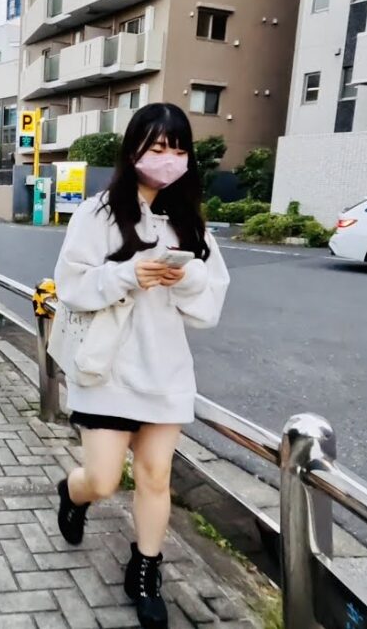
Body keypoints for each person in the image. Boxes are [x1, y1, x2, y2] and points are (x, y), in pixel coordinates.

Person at [51, 103, 229, 628]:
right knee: (103, 481)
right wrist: (130, 273)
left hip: (165, 371)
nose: (169, 158)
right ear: (133, 151)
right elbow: (73, 286)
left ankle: (146, 569)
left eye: (178, 148)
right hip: (106, 372)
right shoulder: (98, 213)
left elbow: (209, 307)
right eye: (158, 147)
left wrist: (188, 279)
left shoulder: (189, 222)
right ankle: (72, 491)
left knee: (155, 477)